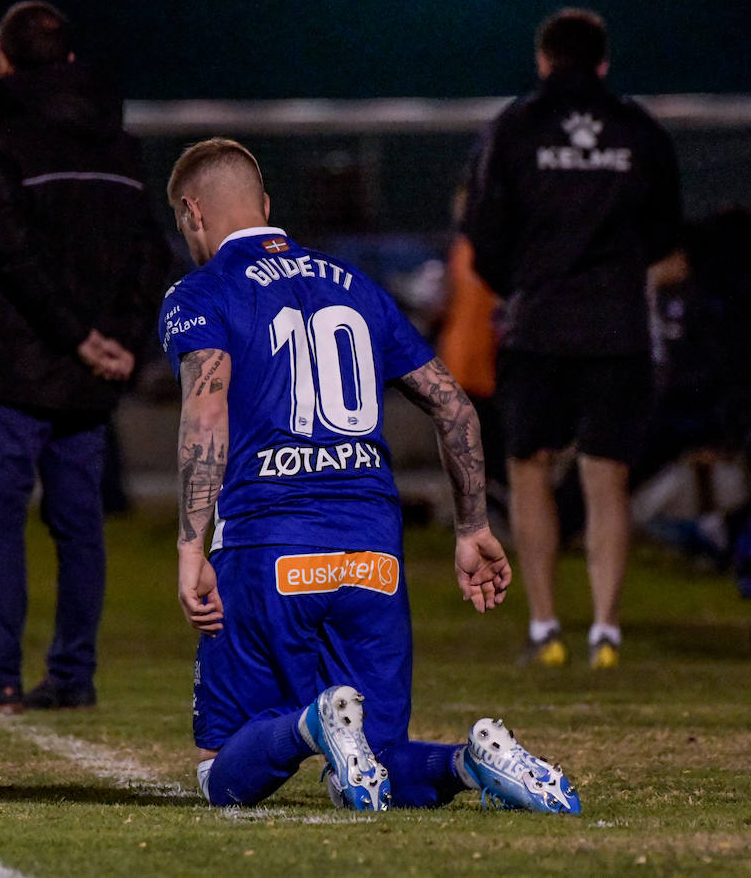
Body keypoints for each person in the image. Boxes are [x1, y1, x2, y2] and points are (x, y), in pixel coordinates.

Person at [161, 137, 580, 813]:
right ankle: (476, 762)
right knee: (375, 762)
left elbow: (207, 412)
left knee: (219, 770)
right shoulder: (356, 285)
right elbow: (454, 406)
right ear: (266, 206)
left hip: (270, 550)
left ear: (192, 213)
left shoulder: (201, 291)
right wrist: (472, 527)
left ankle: (310, 724)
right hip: (372, 557)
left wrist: (189, 547)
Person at [0, 1, 169, 712]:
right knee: (79, 525)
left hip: (15, 363)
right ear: (73, 62)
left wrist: (78, 334)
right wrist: (122, 342)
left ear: (3, 60)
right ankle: (73, 676)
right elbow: (151, 255)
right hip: (91, 376)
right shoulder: (120, 145)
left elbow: (9, 251)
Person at [463, 8, 682, 669]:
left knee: (528, 468)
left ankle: (545, 626)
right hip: (616, 327)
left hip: (540, 325)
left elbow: (484, 234)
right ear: (603, 64)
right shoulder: (639, 130)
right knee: (605, 476)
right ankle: (606, 633)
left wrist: (524, 281)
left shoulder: (514, 127)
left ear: (543, 61)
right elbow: (667, 231)